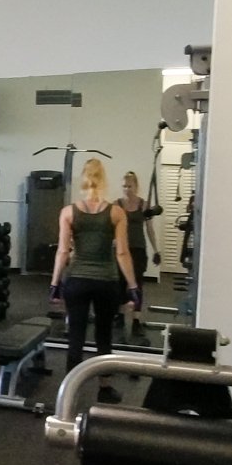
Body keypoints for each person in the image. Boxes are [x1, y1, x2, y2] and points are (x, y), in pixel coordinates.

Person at [49, 158, 140, 403]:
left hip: (77, 280)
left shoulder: (68, 212)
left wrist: (55, 285)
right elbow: (122, 253)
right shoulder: (116, 212)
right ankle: (105, 388)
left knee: (76, 334)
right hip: (106, 282)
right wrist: (133, 287)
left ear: (83, 180)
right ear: (104, 180)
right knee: (103, 335)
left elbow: (63, 252)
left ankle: (70, 391)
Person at [116, 171, 161, 342]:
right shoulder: (117, 205)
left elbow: (149, 229)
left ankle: (136, 320)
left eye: (130, 186)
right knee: (120, 284)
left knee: (138, 284)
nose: (127, 189)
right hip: (122, 248)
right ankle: (119, 317)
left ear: (136, 186)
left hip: (138, 249)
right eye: (124, 186)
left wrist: (156, 250)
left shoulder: (144, 205)